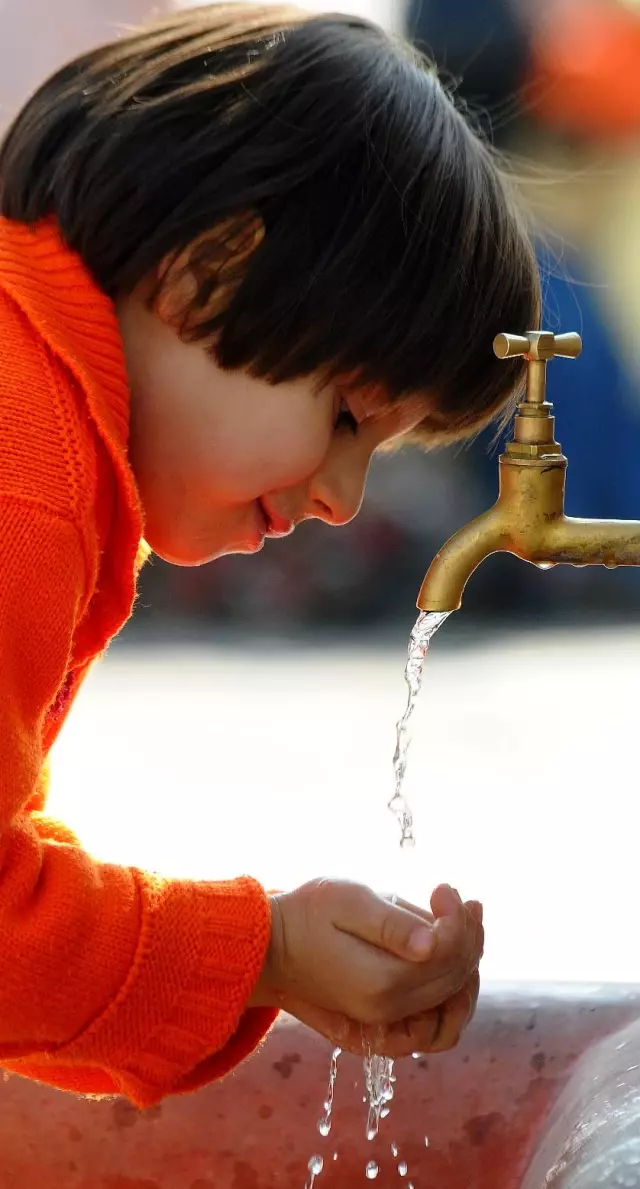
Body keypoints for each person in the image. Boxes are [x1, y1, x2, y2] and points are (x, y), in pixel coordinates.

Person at [0, 3, 539, 1108]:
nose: (344, 499)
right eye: (347, 416)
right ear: (206, 274)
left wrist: (261, 962)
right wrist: (261, 952)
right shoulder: (27, 472)